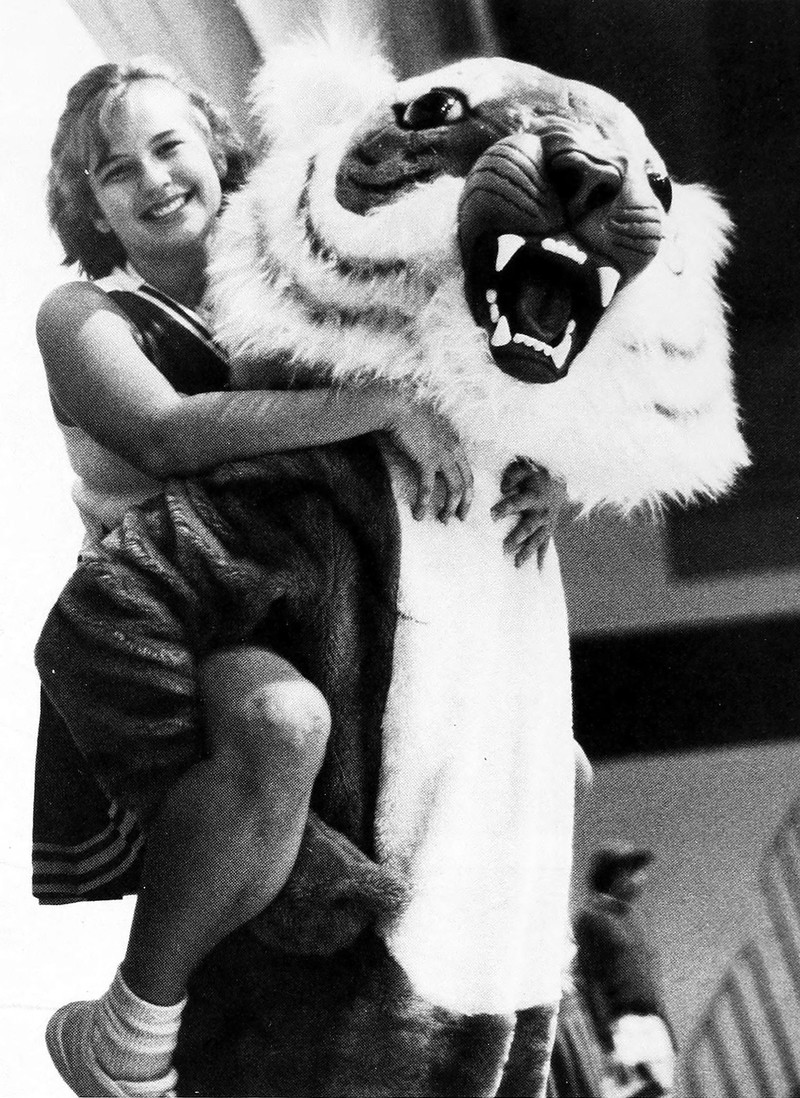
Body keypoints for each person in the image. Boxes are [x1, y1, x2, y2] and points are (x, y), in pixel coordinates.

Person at [34, 58, 562, 1098]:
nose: (152, 180)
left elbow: (454, 367)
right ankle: (129, 1028)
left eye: (168, 146)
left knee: (550, 770)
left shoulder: (292, 278)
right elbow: (166, 432)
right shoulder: (85, 313)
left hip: (324, 598)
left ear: (216, 148)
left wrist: (548, 471)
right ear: (88, 204)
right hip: (182, 612)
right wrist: (375, 406)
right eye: (114, 170)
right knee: (282, 726)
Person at [574, 844, 676, 1097]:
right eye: (636, 871)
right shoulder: (591, 919)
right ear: (617, 874)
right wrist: (607, 1042)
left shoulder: (636, 918)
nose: (643, 878)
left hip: (654, 1024)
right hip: (624, 1026)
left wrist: (666, 1027)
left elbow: (649, 978)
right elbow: (590, 981)